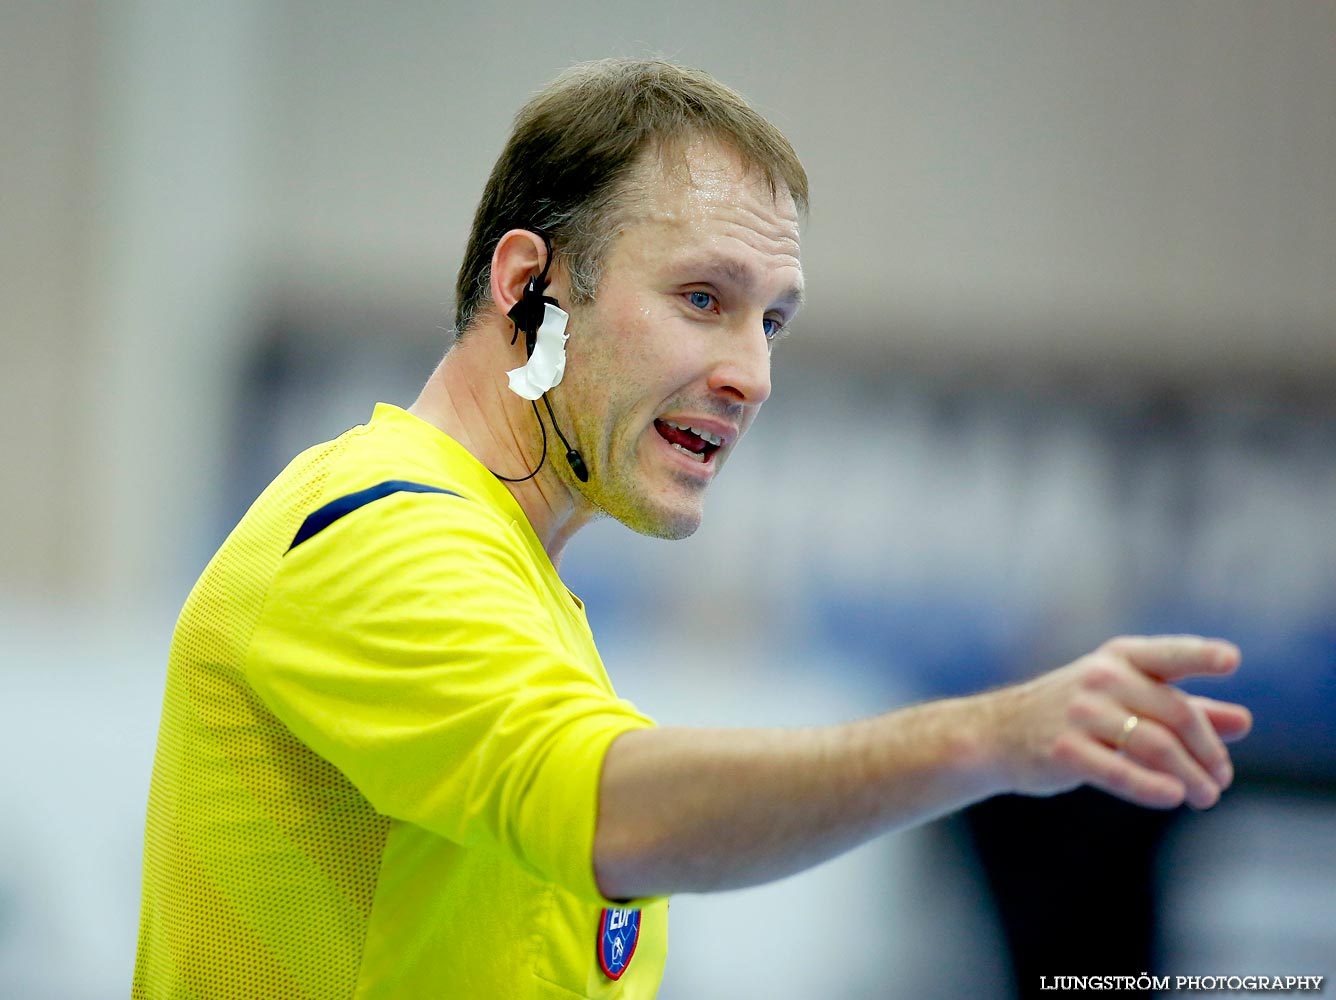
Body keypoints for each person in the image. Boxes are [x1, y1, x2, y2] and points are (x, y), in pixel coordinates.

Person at [132, 58, 1252, 999]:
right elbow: (608, 803)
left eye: (772, 320)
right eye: (703, 299)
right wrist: (988, 738)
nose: (753, 373)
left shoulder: (513, 582)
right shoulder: (375, 532)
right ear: (531, 287)